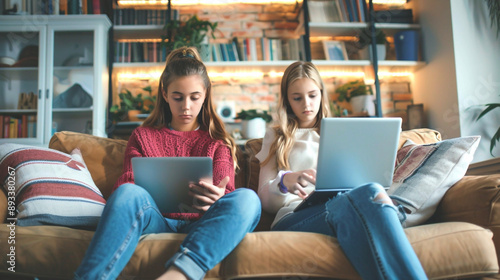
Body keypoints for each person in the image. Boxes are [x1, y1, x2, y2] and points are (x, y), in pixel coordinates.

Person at [74, 47, 261, 280]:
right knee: (128, 193)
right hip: (157, 220)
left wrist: (218, 197)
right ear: (164, 94)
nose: (186, 106)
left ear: (205, 95)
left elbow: (228, 192)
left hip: (203, 226)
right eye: (178, 97)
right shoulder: (143, 136)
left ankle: (179, 274)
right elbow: (128, 186)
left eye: (194, 97)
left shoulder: (217, 142)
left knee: (248, 199)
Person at [256, 61, 427, 280]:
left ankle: (383, 213)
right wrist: (284, 181)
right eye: (297, 97)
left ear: (321, 94)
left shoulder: (342, 131)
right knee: (369, 197)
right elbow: (264, 200)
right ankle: (388, 214)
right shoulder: (276, 136)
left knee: (369, 192)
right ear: (287, 100)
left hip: (342, 206)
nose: (306, 104)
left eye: (312, 95)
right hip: (293, 216)